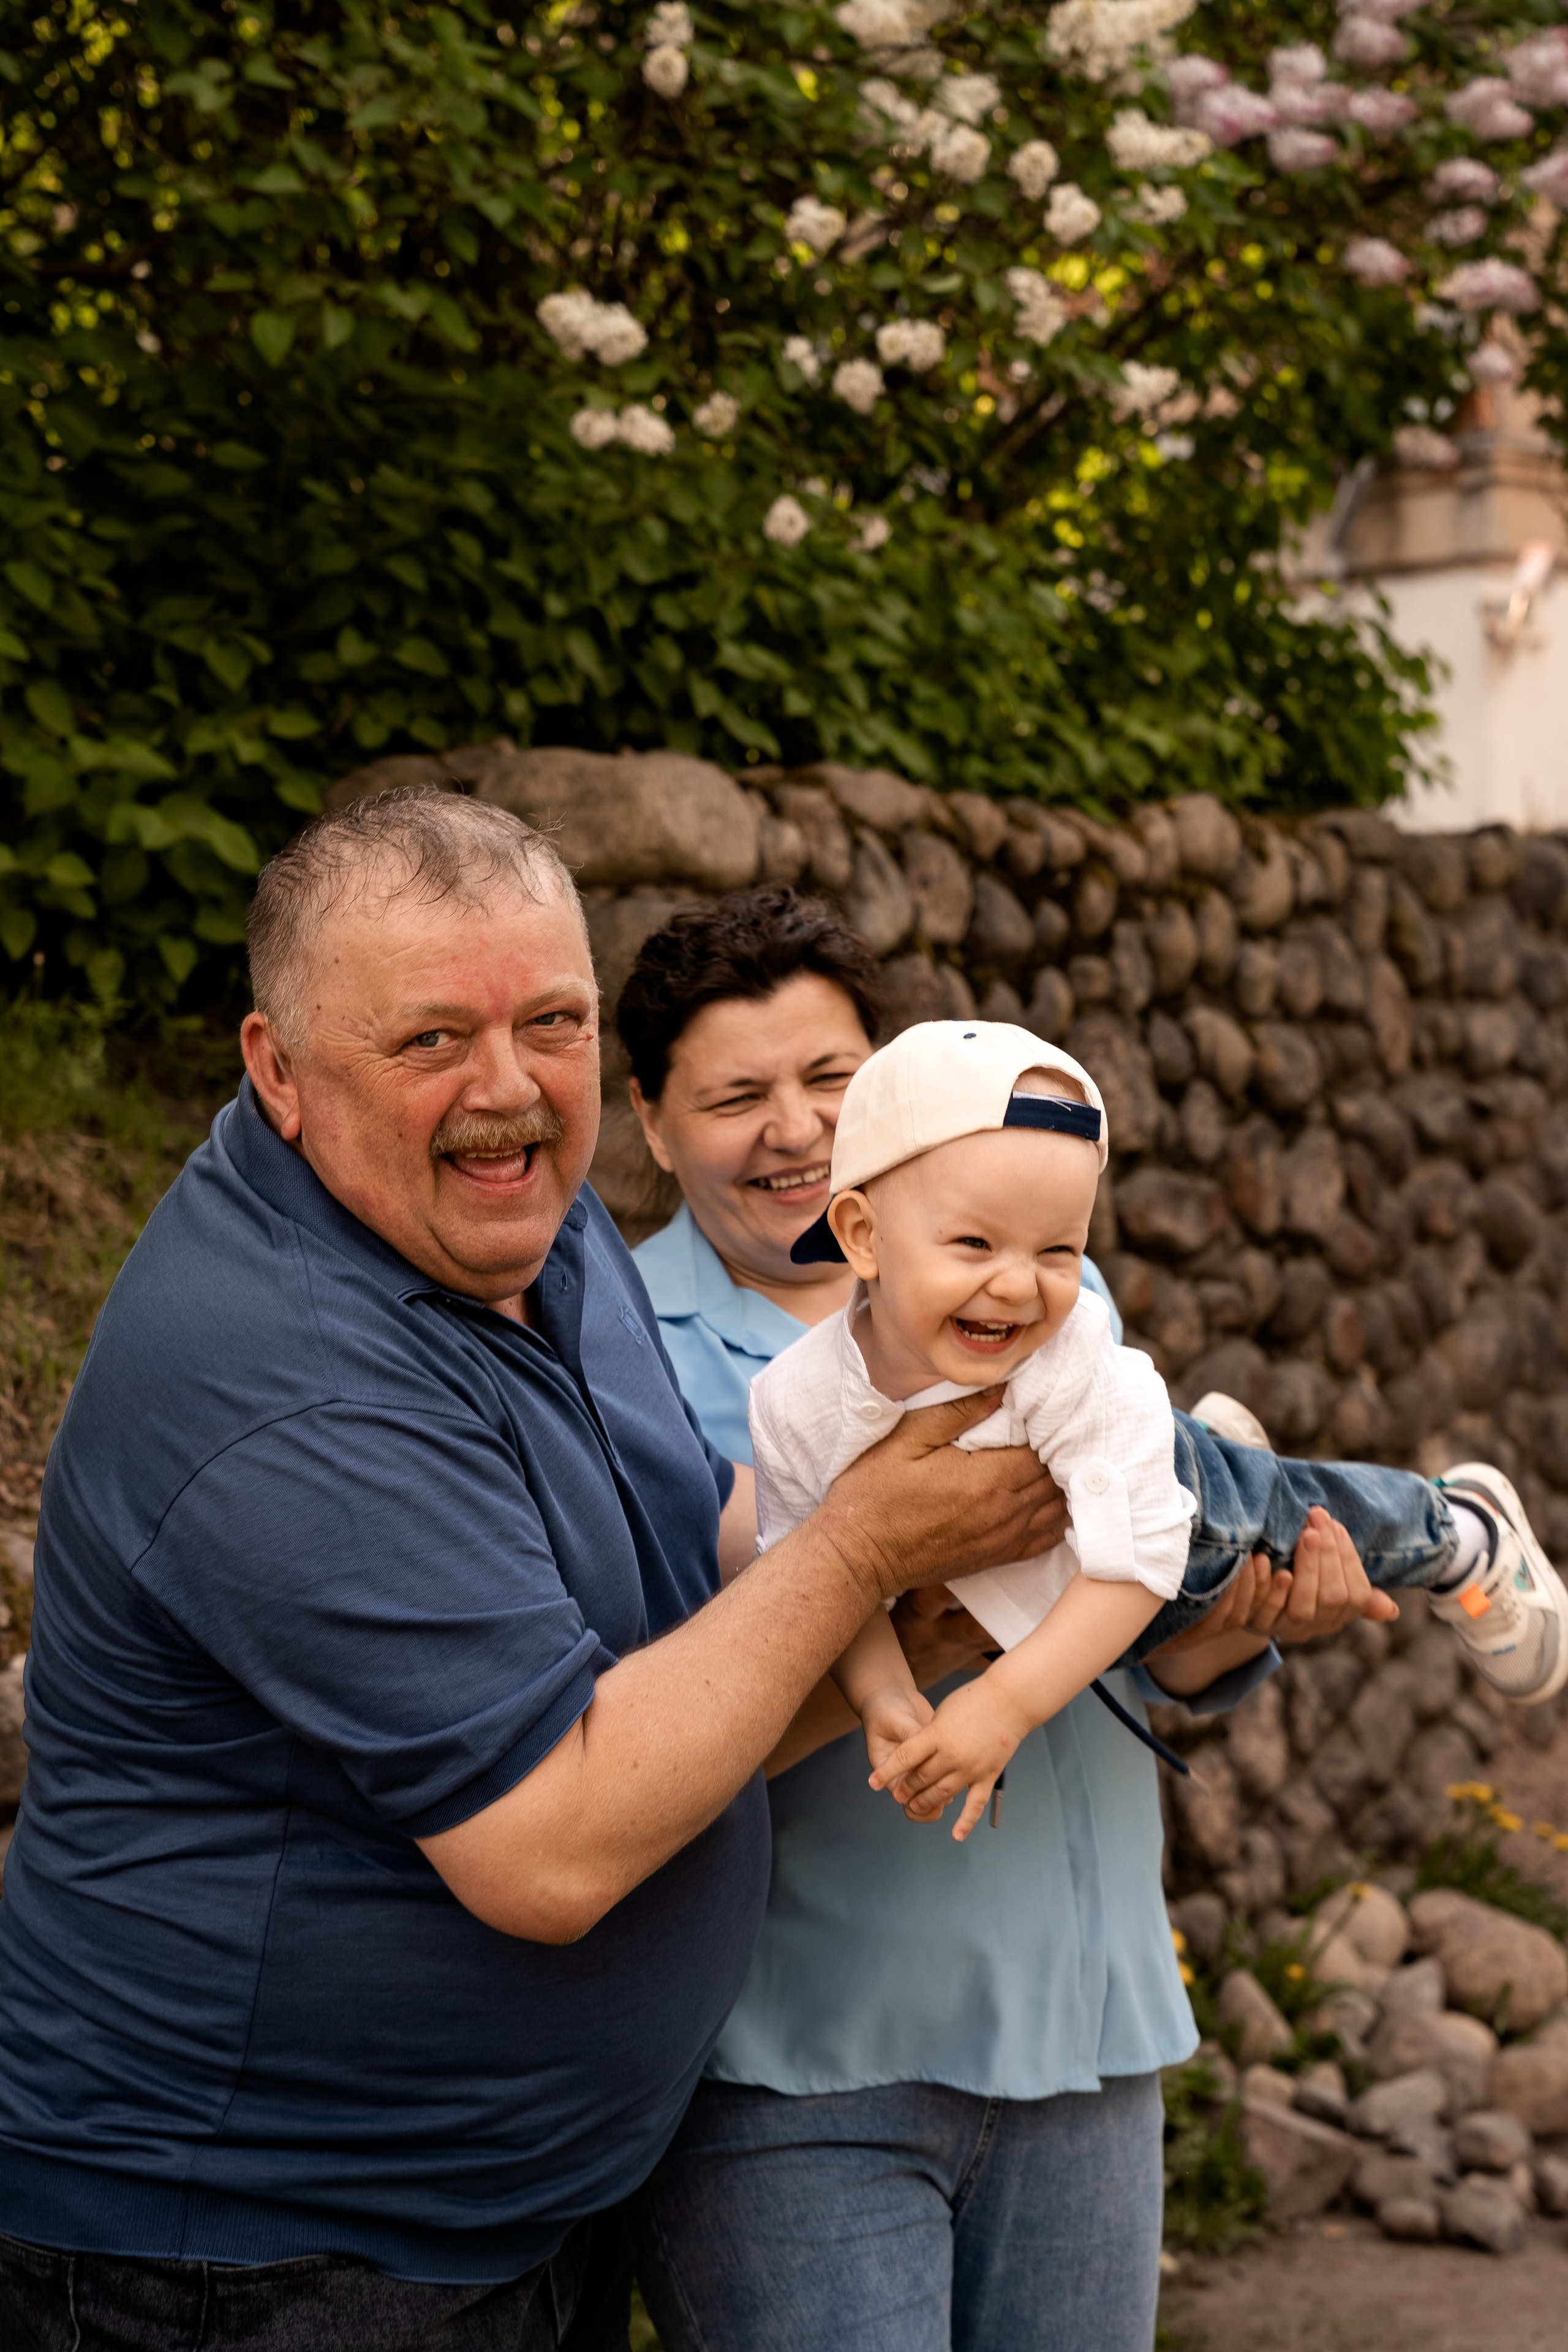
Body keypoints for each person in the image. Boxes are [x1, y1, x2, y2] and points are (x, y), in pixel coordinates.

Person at [0, 794, 1071, 2352]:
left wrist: (919, 1600)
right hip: (247, 2263)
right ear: (275, 1071)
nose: (507, 1091)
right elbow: (552, 1850)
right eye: (431, 1039)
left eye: (551, 1022)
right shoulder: (286, 1379)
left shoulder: (517, 1222)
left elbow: (685, 1601)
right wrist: (861, 1548)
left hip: (485, 2228)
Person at [619, 888, 1401, 2352]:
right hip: (803, 2065)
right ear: (654, 1127)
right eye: (735, 1095)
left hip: (1087, 2037)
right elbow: (648, 1725)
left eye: (829, 1082)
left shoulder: (1044, 1284)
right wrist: (924, 1628)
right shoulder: (619, 1354)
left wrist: (1240, 1618)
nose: (792, 1127)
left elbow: (1132, 1624)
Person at [752, 1019, 1566, 1842]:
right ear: (863, 1235)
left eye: (1059, 1251)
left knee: (1318, 1521)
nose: (1016, 1285)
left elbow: (1138, 1565)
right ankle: (1217, 1446)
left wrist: (1001, 1708)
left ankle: (1461, 1531)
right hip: (1063, 1591)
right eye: (973, 1243)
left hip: (1170, 1537)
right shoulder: (793, 1405)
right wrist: (886, 1694)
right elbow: (819, 1577)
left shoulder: (1065, 1362)